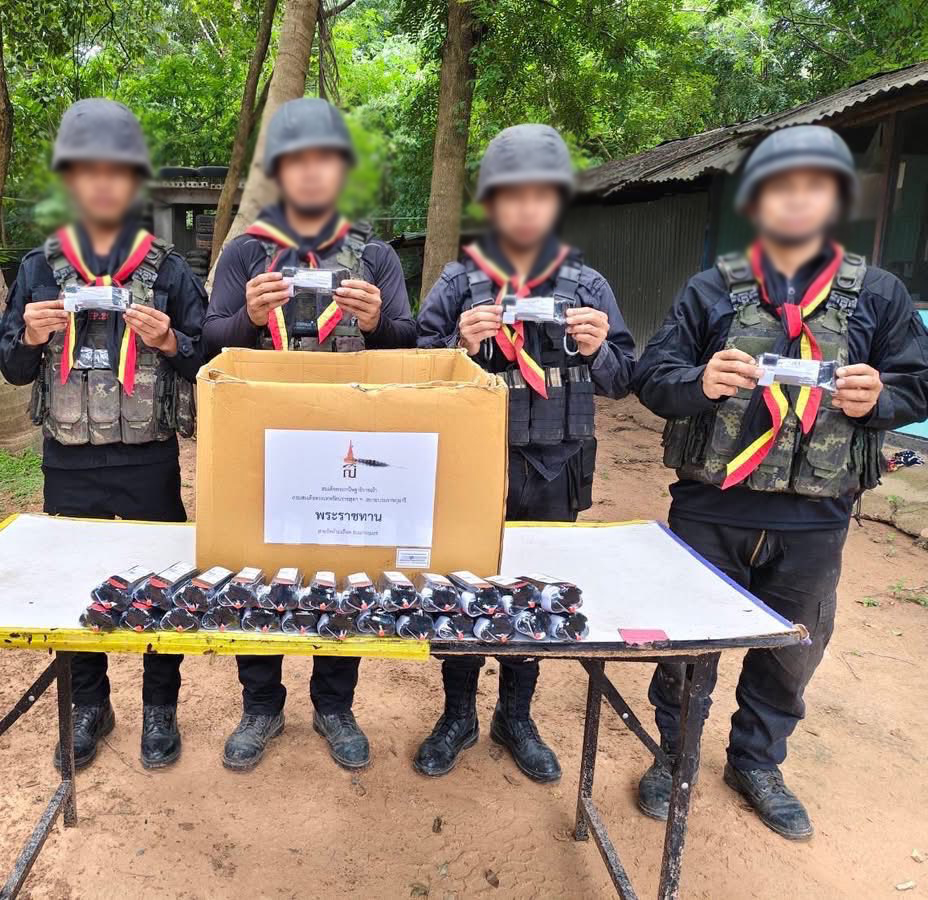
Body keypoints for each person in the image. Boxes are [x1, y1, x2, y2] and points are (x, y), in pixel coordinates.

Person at [632, 125, 928, 840]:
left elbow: (918, 385)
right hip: (711, 510)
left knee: (792, 651)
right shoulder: (712, 288)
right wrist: (700, 381)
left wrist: (880, 397)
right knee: (687, 645)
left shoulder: (879, 294)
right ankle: (673, 754)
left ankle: (756, 762)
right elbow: (652, 378)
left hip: (816, 518)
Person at [415, 124, 635, 781]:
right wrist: (457, 344)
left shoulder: (589, 286)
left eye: (540, 194)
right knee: (463, 593)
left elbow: (625, 377)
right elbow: (417, 374)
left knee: (535, 597)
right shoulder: (459, 282)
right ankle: (458, 714)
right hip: (471, 471)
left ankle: (516, 716)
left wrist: (600, 346)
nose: (526, 208)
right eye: (512, 195)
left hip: (555, 470)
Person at [203, 97, 416, 772]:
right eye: (298, 160)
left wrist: (379, 322)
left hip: (345, 445)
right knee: (258, 570)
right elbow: (208, 345)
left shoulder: (375, 255)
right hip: (262, 444)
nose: (312, 172)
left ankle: (334, 703)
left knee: (343, 571)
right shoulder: (247, 252)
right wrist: (246, 316)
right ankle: (261, 704)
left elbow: (410, 347)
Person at [0, 99, 206, 772]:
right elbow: (11, 365)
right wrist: (30, 335)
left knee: (159, 587)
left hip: (148, 459)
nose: (102, 183)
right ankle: (89, 704)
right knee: (74, 586)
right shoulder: (39, 268)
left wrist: (170, 340)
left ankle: (159, 706)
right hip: (69, 460)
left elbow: (207, 359)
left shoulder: (167, 269)